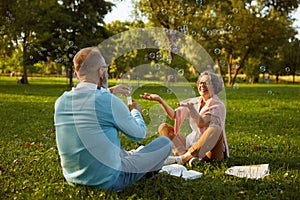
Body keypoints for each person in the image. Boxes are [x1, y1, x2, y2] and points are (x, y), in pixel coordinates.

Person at [54, 47, 172, 192]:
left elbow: (88, 96)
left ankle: (130, 157)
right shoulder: (108, 102)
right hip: (109, 181)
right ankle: (148, 171)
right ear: (100, 72)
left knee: (108, 140)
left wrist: (109, 90)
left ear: (76, 74)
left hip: (73, 179)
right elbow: (138, 134)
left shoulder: (60, 101)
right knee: (165, 143)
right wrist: (136, 111)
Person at [141, 71, 229, 166]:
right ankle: (190, 158)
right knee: (164, 128)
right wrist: (159, 100)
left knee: (216, 128)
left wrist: (191, 108)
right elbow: (174, 115)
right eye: (201, 83)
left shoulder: (218, 105)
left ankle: (183, 159)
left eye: (207, 83)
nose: (202, 85)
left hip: (211, 151)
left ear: (215, 87)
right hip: (191, 146)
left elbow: (201, 122)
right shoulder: (194, 102)